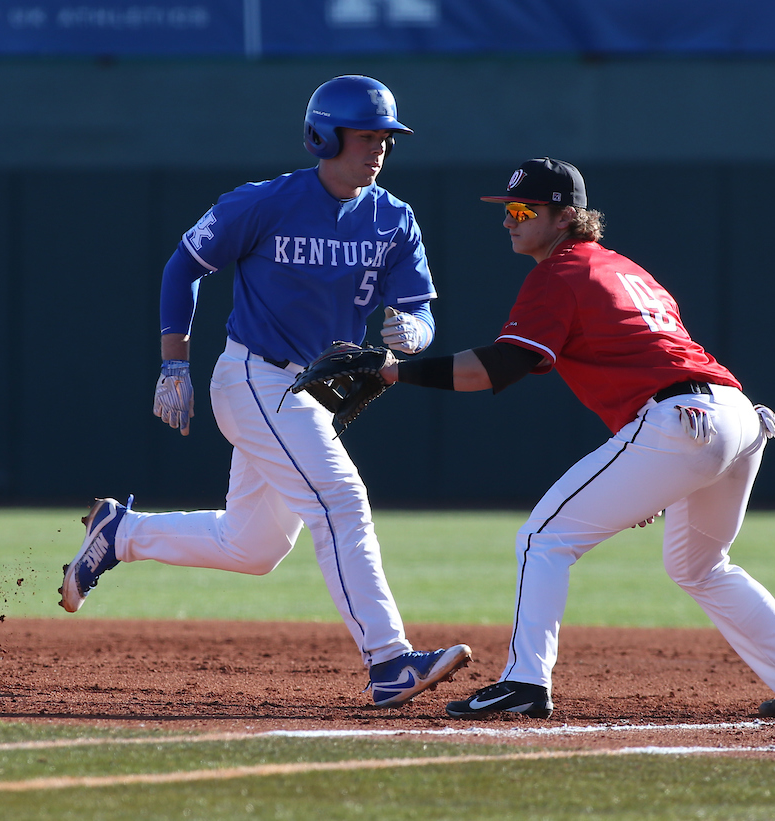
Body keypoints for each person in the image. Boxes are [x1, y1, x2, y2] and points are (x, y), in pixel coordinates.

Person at [379, 158, 775, 720]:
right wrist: (657, 475)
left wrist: (394, 371)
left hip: (685, 419)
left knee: (542, 539)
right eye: (507, 209)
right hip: (736, 417)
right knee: (700, 567)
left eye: (524, 209)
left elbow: (499, 367)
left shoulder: (560, 273)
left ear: (565, 217)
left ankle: (524, 682)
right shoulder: (626, 268)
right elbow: (647, 360)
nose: (509, 220)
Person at [59, 75, 471, 708]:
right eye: (366, 135)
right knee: (340, 501)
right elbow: (184, 268)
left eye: (387, 137)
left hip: (309, 392)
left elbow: (418, 308)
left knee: (250, 547)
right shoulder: (264, 203)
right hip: (254, 375)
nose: (380, 148)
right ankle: (388, 660)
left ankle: (121, 534)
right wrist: (175, 366)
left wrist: (415, 328)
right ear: (325, 136)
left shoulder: (394, 218)